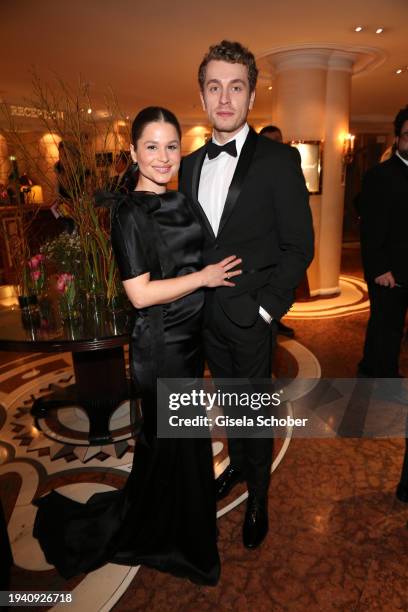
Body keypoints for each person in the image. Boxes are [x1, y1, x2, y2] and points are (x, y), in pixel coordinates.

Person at [33, 106, 243, 585]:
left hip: (190, 341)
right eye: (152, 146)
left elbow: (205, 256)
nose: (164, 157)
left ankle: (173, 525)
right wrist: (204, 278)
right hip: (161, 345)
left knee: (177, 447)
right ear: (132, 152)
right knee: (179, 445)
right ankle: (181, 543)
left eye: (172, 146)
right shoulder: (128, 213)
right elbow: (140, 293)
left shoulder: (184, 203)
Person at [180, 40, 314, 549]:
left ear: (252, 95)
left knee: (255, 410)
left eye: (236, 87)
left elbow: (300, 245)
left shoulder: (280, 160)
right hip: (205, 313)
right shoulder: (189, 165)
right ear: (203, 94)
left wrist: (266, 309)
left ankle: (259, 493)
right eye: (215, 87)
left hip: (252, 315)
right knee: (230, 403)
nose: (225, 98)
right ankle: (237, 464)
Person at [357, 105, 408, 400]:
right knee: (387, 327)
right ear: (398, 138)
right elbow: (371, 229)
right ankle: (386, 381)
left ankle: (368, 365)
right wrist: (379, 269)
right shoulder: (380, 175)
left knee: (388, 328)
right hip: (387, 270)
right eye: (407, 135)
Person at [259, 125, 299, 337]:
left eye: (277, 139)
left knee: (285, 283)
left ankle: (275, 317)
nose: (274, 145)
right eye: (268, 141)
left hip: (287, 240)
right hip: (266, 243)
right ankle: (269, 318)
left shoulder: (291, 159)